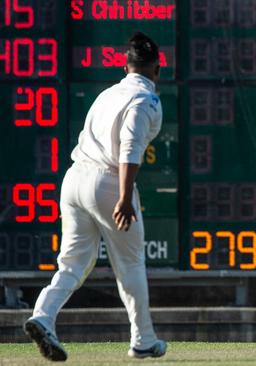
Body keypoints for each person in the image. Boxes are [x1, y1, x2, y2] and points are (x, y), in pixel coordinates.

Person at [23, 32, 166, 361]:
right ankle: (143, 339)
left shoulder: (107, 94)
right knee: (130, 264)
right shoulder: (147, 100)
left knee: (71, 264)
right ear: (156, 69)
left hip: (74, 179)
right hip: (109, 181)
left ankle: (42, 315)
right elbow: (129, 147)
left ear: (126, 66)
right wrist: (125, 196)